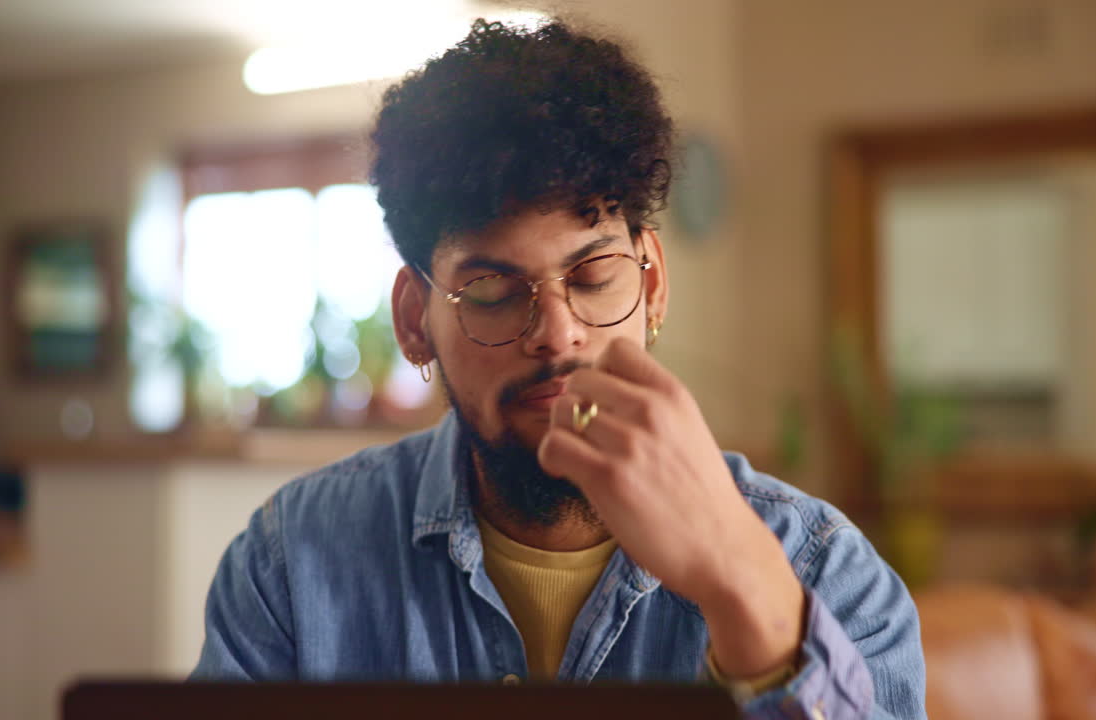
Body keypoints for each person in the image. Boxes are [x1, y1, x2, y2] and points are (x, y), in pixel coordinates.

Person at [192, 18, 925, 719]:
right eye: (491, 291)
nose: (558, 334)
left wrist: (742, 583)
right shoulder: (292, 562)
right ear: (416, 319)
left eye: (594, 274)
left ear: (653, 284)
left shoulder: (828, 575)